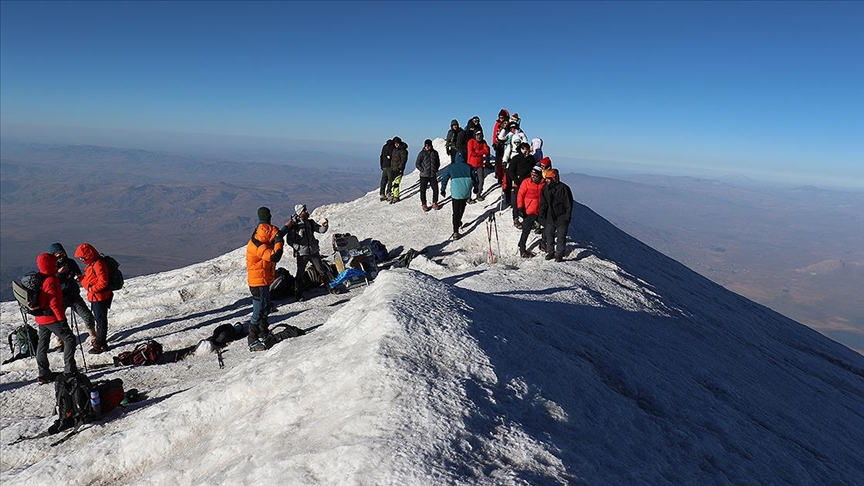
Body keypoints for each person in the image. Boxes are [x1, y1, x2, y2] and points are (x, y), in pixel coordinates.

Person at [33, 252, 78, 384]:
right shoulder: (51, 280)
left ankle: (43, 373)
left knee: (42, 345)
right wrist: (62, 320)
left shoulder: (39, 277)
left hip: (40, 317)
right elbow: (55, 304)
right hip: (51, 318)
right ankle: (70, 370)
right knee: (69, 339)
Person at [245, 207, 286, 351]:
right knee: (258, 312)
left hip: (263, 281)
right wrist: (279, 242)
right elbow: (275, 256)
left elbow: (277, 235)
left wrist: (287, 226)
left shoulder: (259, 234)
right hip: (258, 283)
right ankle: (252, 340)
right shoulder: (258, 246)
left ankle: (264, 334)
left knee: (265, 309)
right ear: (269, 217)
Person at [48, 242, 96, 352]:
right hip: (60, 297)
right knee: (59, 320)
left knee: (87, 315)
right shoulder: (51, 267)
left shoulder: (71, 263)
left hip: (73, 294)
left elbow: (78, 273)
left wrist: (77, 277)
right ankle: (60, 342)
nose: (60, 255)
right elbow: (51, 282)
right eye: (57, 253)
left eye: (61, 252)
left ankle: (93, 336)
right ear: (53, 255)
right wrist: (59, 274)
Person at [288, 204, 337, 300]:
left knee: (321, 270)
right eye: (304, 210)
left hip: (313, 251)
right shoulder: (294, 225)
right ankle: (298, 294)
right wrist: (298, 248)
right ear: (300, 212)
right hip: (302, 253)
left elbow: (320, 230)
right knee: (300, 273)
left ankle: (330, 288)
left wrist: (325, 226)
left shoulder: (310, 222)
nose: (307, 211)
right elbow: (289, 240)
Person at [74, 243, 113, 354]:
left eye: (82, 257)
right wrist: (82, 278)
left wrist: (92, 289)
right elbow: (91, 278)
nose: (81, 259)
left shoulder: (98, 264)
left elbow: (103, 281)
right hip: (96, 296)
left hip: (99, 297)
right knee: (100, 319)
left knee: (100, 320)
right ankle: (102, 343)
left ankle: (100, 344)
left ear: (88, 255)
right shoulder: (93, 263)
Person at [440, 152, 478, 241]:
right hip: (465, 192)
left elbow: (444, 178)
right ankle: (459, 221)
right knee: (462, 207)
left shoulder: (451, 167)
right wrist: (476, 188)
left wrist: (443, 189)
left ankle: (455, 231)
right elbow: (475, 178)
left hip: (456, 193)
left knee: (455, 211)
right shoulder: (469, 167)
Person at [539, 168, 574, 262]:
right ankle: (550, 252)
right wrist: (541, 214)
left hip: (562, 216)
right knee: (549, 234)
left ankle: (559, 254)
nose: (546, 180)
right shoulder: (545, 188)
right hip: (550, 216)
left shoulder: (564, 189)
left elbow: (568, 204)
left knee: (561, 236)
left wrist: (567, 217)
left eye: (548, 178)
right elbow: (543, 203)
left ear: (554, 179)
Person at [516, 167, 546, 258]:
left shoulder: (543, 184)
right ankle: (522, 249)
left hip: (540, 211)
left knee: (548, 226)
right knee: (526, 230)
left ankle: (543, 244)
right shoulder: (526, 182)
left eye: (535, 175)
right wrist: (520, 208)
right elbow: (520, 195)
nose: (533, 177)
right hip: (528, 211)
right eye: (532, 175)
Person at [415, 139, 441, 211]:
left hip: (432, 174)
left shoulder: (435, 153)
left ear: (431, 145)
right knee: (423, 190)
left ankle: (434, 202)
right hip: (424, 175)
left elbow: (438, 162)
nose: (427, 147)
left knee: (435, 189)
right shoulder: (421, 153)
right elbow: (417, 163)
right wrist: (422, 170)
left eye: (428, 145)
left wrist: (436, 169)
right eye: (426, 146)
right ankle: (424, 204)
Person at [466, 130, 491, 202]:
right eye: (477, 135)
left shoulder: (483, 142)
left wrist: (476, 151)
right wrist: (480, 152)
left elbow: (487, 151)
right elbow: (471, 153)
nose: (479, 136)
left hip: (480, 164)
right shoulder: (470, 142)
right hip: (471, 164)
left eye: (480, 135)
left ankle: (478, 194)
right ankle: (468, 197)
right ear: (474, 135)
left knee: (481, 180)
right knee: (470, 181)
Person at [491, 109, 510, 184]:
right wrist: (494, 142)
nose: (501, 119)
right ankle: (499, 176)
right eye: (500, 117)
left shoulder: (507, 124)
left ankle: (505, 176)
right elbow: (495, 133)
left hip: (506, 145)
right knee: (498, 161)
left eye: (502, 117)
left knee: (505, 160)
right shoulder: (497, 124)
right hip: (498, 144)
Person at [388, 137, 409, 203]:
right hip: (393, 169)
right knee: (393, 182)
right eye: (395, 143)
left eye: (397, 143)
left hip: (398, 170)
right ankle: (394, 195)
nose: (396, 144)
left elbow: (403, 161)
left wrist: (400, 168)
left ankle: (396, 197)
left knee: (396, 183)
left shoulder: (403, 151)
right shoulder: (395, 150)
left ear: (400, 143)